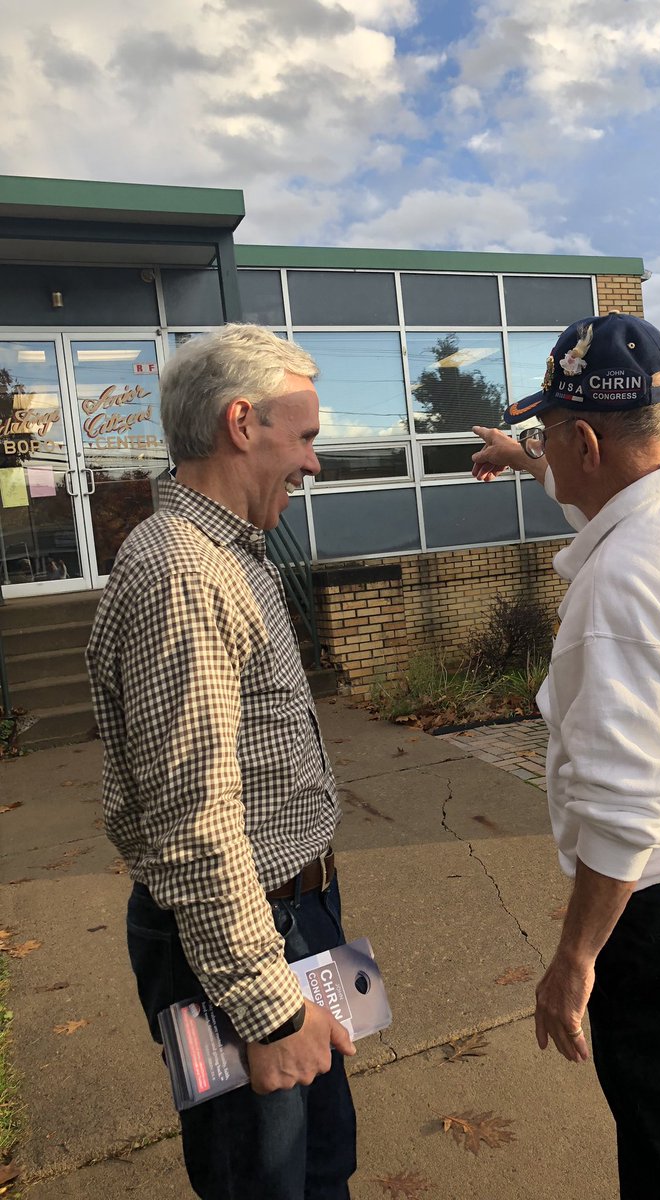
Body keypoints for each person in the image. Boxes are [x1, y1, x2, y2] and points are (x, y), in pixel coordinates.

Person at [471, 312, 660, 1200]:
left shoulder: (619, 593)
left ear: (586, 440)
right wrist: (527, 458)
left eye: (547, 435)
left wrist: (574, 960)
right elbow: (601, 484)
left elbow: (626, 810)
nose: (544, 450)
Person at [86, 324, 356, 1200]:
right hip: (240, 945)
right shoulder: (184, 577)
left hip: (286, 920)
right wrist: (268, 1006)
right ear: (243, 424)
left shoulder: (228, 555)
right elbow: (193, 825)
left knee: (317, 1169)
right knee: (269, 1182)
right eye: (305, 437)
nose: (313, 465)